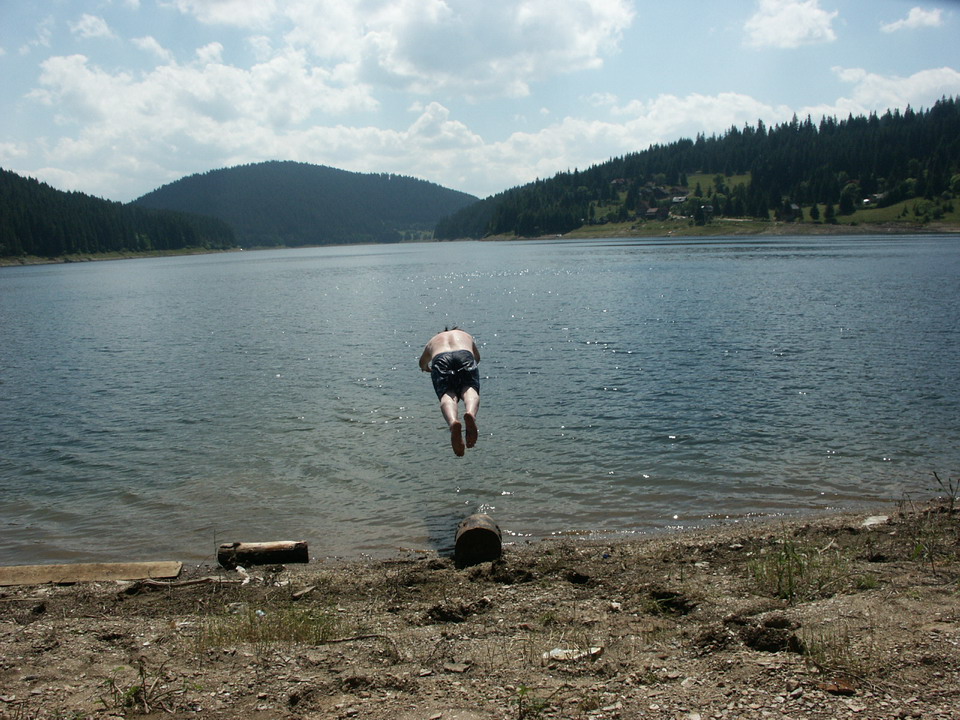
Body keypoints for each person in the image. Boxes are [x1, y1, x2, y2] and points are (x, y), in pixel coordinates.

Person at [419, 327, 481, 457]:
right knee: (469, 389)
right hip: (465, 355)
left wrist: (428, 369)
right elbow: (477, 358)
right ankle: (470, 413)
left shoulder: (433, 341)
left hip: (440, 358)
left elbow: (422, 363)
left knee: (447, 394)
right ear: (457, 330)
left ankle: (453, 422)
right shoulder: (465, 335)